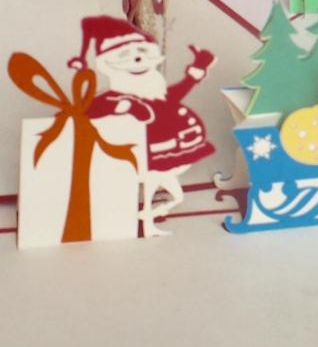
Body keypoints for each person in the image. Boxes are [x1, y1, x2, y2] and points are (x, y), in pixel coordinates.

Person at [72, 15, 216, 236]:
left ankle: (149, 216)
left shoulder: (154, 92)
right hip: (146, 152)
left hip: (171, 151)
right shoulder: (115, 95)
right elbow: (90, 110)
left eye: (142, 52)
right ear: (107, 64)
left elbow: (175, 94)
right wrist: (125, 105)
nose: (138, 59)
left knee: (172, 190)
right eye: (125, 56)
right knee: (154, 180)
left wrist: (197, 68)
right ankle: (146, 219)